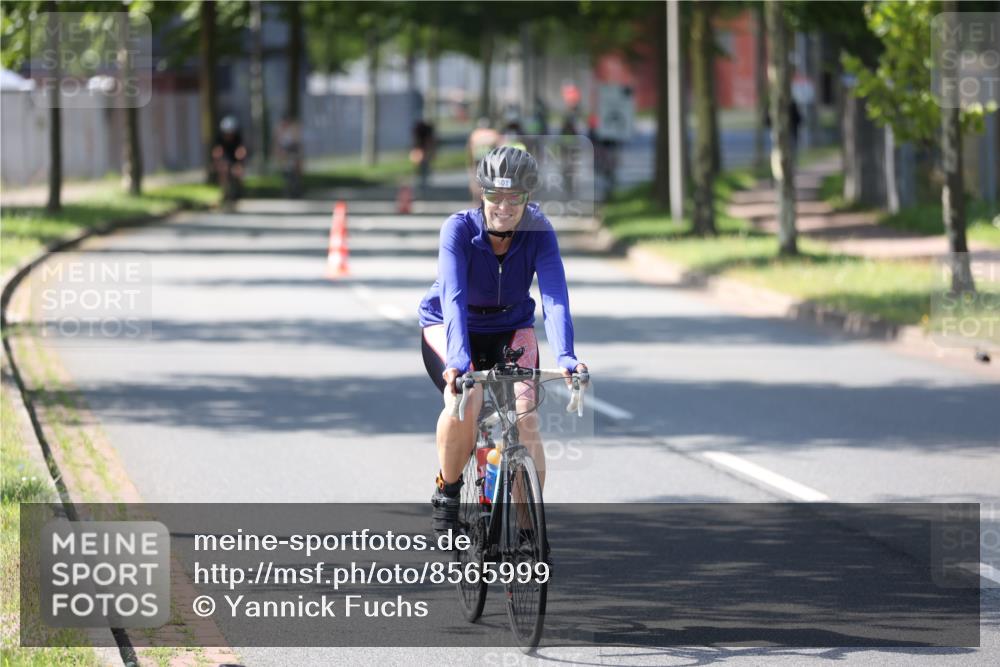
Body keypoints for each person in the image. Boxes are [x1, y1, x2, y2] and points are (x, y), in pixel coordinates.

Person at [417, 146, 588, 535]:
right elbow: (454, 300)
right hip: (448, 324)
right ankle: (449, 489)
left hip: (511, 326)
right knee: (467, 399)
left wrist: (566, 354)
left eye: (516, 198)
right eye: (495, 195)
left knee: (527, 417)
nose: (504, 207)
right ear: (482, 194)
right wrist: (459, 365)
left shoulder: (539, 231)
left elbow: (555, 296)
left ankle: (529, 535)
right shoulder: (458, 229)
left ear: (528, 199)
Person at [212, 115, 247, 203]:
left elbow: (241, 149)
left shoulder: (238, 137)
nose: (228, 135)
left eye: (230, 133)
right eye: (226, 133)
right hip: (225, 157)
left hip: (235, 158)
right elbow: (217, 150)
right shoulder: (219, 138)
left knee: (238, 171)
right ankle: (224, 191)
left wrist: (240, 155)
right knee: (222, 170)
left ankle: (239, 189)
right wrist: (217, 158)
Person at [466, 117, 499, 201]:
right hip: (490, 161)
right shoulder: (493, 133)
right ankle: (487, 199)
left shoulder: (475, 134)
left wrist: (470, 164)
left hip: (478, 160)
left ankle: (477, 200)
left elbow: (470, 149)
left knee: (476, 181)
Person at [273, 113, 303, 198]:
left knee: (295, 173)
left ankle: (296, 190)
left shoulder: (293, 130)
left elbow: (297, 144)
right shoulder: (279, 130)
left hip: (293, 152)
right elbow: (277, 144)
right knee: (286, 174)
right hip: (284, 154)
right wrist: (279, 154)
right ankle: (287, 191)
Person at [411, 119, 436, 197]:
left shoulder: (418, 137)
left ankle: (422, 188)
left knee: (421, 172)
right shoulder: (426, 137)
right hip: (423, 154)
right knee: (423, 172)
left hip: (421, 153)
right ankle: (422, 189)